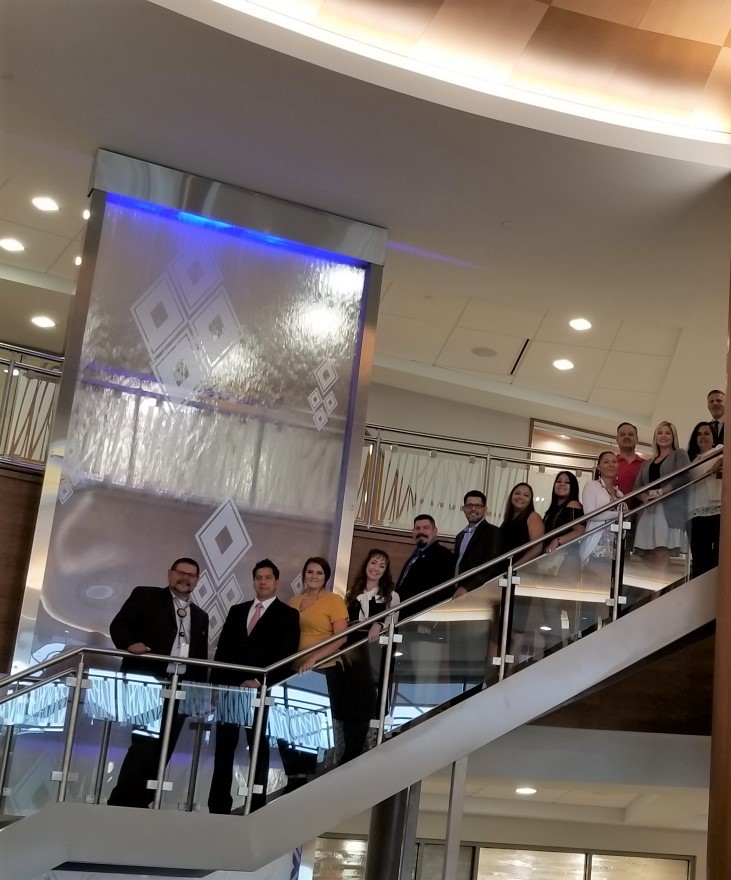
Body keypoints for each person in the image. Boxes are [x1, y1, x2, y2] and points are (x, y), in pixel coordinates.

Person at [108, 558, 209, 808]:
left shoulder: (200, 616)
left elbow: (200, 658)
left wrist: (198, 694)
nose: (185, 578)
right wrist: (130, 644)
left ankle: (143, 803)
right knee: (144, 744)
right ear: (169, 574)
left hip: (182, 688)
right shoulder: (146, 595)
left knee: (166, 747)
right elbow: (118, 624)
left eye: (191, 575)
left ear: (197, 580)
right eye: (180, 573)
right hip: (148, 683)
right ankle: (121, 804)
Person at [208, 559, 300, 814]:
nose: (262, 582)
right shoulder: (238, 610)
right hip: (230, 690)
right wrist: (216, 686)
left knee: (258, 749)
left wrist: (261, 680)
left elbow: (288, 654)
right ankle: (217, 805)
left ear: (276, 582)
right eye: (258, 577)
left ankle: (255, 805)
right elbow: (223, 650)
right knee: (223, 749)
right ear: (253, 581)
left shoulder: (288, 614)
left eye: (267, 577)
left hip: (262, 691)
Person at [341, 549, 400, 763]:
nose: (376, 568)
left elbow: (394, 623)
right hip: (353, 655)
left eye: (381, 566)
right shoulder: (351, 593)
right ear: (366, 564)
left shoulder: (391, 595)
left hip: (376, 656)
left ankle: (362, 749)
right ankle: (350, 749)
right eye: (373, 563)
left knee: (369, 700)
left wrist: (380, 623)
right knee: (352, 700)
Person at [289, 557, 349, 760]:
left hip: (325, 669)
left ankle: (318, 773)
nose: (314, 576)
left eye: (319, 573)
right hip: (294, 672)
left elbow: (341, 637)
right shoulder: (293, 601)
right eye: (310, 572)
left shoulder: (334, 600)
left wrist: (313, 659)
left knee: (317, 728)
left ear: (326, 577)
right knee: (295, 726)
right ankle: (297, 775)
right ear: (304, 575)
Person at [633, 421, 691, 577]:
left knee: (661, 551)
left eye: (667, 432)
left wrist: (660, 492)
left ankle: (659, 594)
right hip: (648, 509)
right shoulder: (647, 462)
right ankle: (661, 587)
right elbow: (637, 486)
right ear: (655, 437)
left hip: (668, 508)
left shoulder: (679, 454)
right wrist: (645, 497)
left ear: (673, 436)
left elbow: (684, 476)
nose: (663, 436)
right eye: (660, 432)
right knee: (645, 552)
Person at [580, 452, 625, 590]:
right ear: (598, 467)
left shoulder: (619, 493)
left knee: (609, 590)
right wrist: (619, 514)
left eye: (614, 461)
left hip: (616, 547)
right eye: (606, 462)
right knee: (597, 590)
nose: (611, 464)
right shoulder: (592, 485)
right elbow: (590, 514)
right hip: (598, 545)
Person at [687, 422, 722, 578]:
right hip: (696, 512)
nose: (702, 437)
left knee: (718, 557)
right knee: (700, 559)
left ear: (713, 437)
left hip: (718, 511)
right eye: (699, 434)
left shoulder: (720, 450)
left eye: (707, 433)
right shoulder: (691, 460)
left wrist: (720, 462)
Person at [453, 490, 502, 598]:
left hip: (477, 592)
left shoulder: (493, 532)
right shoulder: (460, 535)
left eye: (478, 505)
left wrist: (467, 587)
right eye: (469, 505)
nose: (473, 509)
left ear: (485, 509)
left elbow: (492, 566)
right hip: (456, 591)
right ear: (464, 509)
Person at [541, 471, 585, 582]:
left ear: (573, 487)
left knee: (557, 597)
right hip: (553, 558)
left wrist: (557, 540)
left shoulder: (573, 504)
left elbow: (580, 530)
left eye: (567, 482)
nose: (561, 484)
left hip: (567, 557)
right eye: (559, 481)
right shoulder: (553, 509)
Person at [500, 482, 545, 564]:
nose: (520, 497)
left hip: (517, 571)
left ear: (530, 500)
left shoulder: (533, 517)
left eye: (526, 495)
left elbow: (537, 549)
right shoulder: (509, 518)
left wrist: (514, 567)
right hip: (503, 568)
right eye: (517, 493)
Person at [615, 422, 644, 496]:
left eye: (630, 434)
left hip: (641, 507)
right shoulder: (609, 463)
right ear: (617, 439)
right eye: (622, 434)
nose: (626, 437)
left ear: (637, 439)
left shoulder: (646, 465)